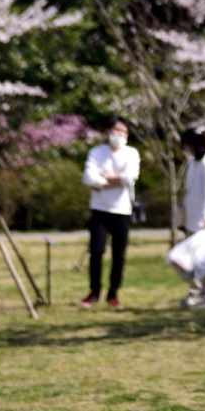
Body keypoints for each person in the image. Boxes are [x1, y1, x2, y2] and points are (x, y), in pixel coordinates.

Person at [80, 117, 140, 309]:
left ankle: (113, 294)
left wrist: (103, 180)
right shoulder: (97, 153)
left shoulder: (131, 153)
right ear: (109, 132)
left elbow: (130, 177)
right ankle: (94, 291)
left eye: (123, 132)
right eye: (116, 130)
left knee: (119, 255)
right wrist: (107, 182)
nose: (119, 135)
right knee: (96, 251)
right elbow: (89, 177)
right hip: (100, 210)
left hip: (122, 210)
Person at [169, 125, 205, 309]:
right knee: (193, 261)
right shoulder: (192, 163)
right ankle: (202, 294)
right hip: (192, 218)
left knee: (200, 260)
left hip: (203, 222)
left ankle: (200, 295)